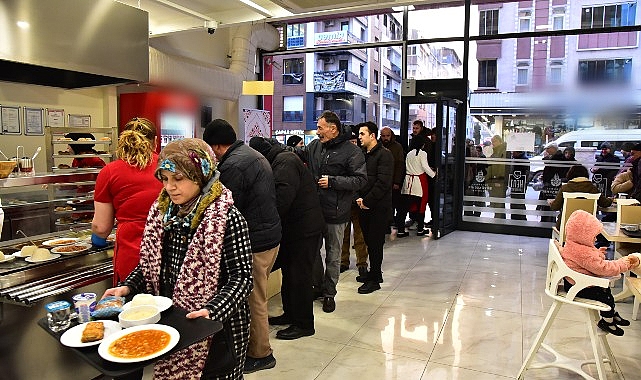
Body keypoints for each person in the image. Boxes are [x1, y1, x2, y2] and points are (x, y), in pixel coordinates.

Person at [101, 138, 253, 379]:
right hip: (176, 322)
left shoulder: (227, 218)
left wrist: (212, 310)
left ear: (201, 174)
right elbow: (151, 264)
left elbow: (242, 278)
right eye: (164, 179)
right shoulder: (163, 212)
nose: (170, 187)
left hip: (217, 328)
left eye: (178, 179)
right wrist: (127, 286)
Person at [202, 119, 281, 374]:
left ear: (216, 146)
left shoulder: (235, 165)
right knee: (257, 295)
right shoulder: (252, 154)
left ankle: (261, 354)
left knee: (253, 298)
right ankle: (257, 348)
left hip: (257, 240)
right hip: (269, 235)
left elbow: (223, 206)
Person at [290, 110, 367, 313]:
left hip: (336, 213)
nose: (317, 132)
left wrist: (333, 182)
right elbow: (299, 153)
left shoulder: (352, 152)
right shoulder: (315, 146)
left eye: (320, 128)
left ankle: (329, 294)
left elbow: (360, 179)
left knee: (333, 256)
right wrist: (275, 148)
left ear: (333, 129)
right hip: (314, 212)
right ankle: (318, 287)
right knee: (312, 252)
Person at [248, 136, 324, 340]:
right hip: (296, 229)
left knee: (300, 277)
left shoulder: (285, 163)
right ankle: (291, 314)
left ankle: (304, 324)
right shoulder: (281, 160)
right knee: (290, 275)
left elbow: (281, 200)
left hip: (304, 231)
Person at [91, 117, 163, 284]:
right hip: (168, 253)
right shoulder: (168, 167)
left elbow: (101, 228)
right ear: (155, 142)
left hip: (131, 254)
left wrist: (97, 239)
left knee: (133, 306)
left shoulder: (109, 172)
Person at [561, 209, 640, 336]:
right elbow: (603, 268)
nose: (596, 238)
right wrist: (623, 264)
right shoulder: (584, 253)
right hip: (580, 287)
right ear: (583, 235)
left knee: (606, 290)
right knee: (606, 297)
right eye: (593, 235)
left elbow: (587, 261)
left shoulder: (573, 244)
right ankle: (606, 321)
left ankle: (612, 315)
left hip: (573, 282)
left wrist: (597, 253)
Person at [355, 122, 393, 294]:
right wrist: (359, 198)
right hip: (363, 205)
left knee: (376, 243)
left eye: (363, 134)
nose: (359, 137)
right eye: (359, 134)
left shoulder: (385, 155)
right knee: (369, 242)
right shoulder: (364, 154)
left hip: (377, 207)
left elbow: (383, 183)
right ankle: (374, 274)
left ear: (372, 136)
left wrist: (366, 201)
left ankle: (375, 278)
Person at [547, 165, 612, 229]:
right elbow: (605, 203)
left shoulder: (565, 188)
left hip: (566, 226)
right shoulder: (593, 188)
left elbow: (555, 207)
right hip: (587, 228)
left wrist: (551, 202)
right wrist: (610, 199)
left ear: (570, 174)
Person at [396, 135, 436, 237]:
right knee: (421, 207)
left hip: (408, 182)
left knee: (404, 208)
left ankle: (400, 230)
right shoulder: (422, 153)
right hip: (418, 183)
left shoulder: (409, 153)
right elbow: (425, 167)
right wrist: (434, 174)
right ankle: (420, 230)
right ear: (423, 144)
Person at [341, 125, 368, 276]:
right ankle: (343, 261)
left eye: (354, 140)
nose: (352, 143)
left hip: (358, 200)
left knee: (360, 235)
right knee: (343, 235)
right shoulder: (341, 156)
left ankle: (362, 262)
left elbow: (363, 179)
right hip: (344, 201)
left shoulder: (362, 155)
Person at [537, 143, 566, 222]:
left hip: (553, 186)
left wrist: (546, 158)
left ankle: (547, 222)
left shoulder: (557, 158)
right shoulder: (554, 157)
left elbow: (552, 168)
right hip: (550, 184)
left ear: (553, 149)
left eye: (548, 148)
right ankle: (546, 221)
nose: (546, 150)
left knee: (550, 205)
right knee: (548, 206)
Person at [486, 134, 507, 219]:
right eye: (492, 142)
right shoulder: (494, 151)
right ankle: (499, 218)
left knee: (498, 202)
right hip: (493, 179)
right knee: (496, 201)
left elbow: (502, 167)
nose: (493, 143)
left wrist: (499, 179)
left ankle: (498, 219)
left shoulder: (502, 151)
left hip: (498, 180)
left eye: (494, 141)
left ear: (500, 141)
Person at [508, 150, 529, 220]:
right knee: (515, 202)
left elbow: (525, 174)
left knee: (518, 203)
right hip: (516, 184)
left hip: (519, 184)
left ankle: (520, 219)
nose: (512, 153)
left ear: (517, 152)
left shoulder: (523, 160)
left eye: (513, 152)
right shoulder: (516, 159)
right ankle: (515, 218)